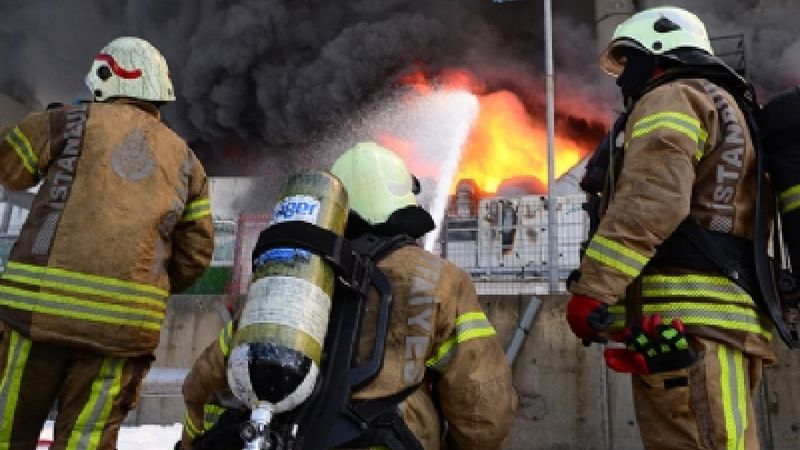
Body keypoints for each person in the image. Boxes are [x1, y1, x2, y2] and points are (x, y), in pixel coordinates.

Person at [179, 142, 517, 450]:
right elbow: (483, 403)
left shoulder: (293, 272)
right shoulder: (439, 280)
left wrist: (197, 443)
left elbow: (205, 383)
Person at [565, 6, 776, 450]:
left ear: (657, 51)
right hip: (720, 318)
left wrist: (594, 289)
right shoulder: (730, 107)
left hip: (684, 323)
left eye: (629, 61)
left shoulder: (672, 96)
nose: (623, 78)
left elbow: (652, 199)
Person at [0, 36, 214, 449]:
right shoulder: (187, 161)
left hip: (36, 317)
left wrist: (44, 126)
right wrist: (141, 286)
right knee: (87, 440)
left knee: (7, 430)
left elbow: (10, 168)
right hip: (120, 334)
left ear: (105, 77)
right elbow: (196, 255)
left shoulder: (66, 123)